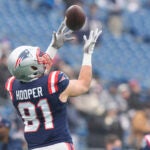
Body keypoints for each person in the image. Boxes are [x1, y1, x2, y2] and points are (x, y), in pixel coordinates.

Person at [5, 18, 102, 150]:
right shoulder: (53, 82)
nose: (43, 58)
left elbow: (35, 78)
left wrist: (53, 47)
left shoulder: (12, 87)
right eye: (38, 59)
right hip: (59, 144)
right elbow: (84, 85)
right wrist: (87, 54)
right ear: (31, 67)